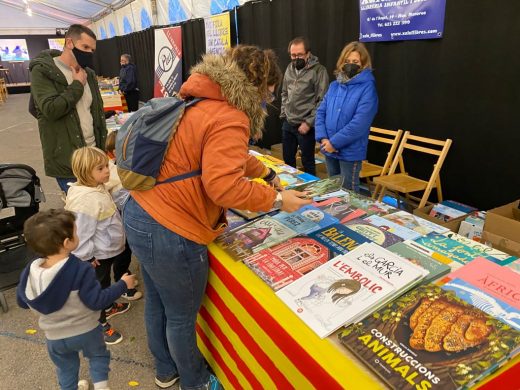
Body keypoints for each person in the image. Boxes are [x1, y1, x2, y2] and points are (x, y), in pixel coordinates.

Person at [123, 45, 312, 390]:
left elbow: (229, 156)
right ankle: (194, 382)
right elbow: (223, 187)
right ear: (259, 84)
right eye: (271, 89)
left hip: (141, 210)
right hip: (172, 227)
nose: (271, 96)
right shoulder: (230, 115)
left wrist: (266, 174)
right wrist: (277, 198)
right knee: (180, 316)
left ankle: (165, 370)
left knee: (159, 302)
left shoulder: (202, 98)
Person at [17, 209, 136, 390]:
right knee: (98, 356)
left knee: (65, 368)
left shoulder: (30, 271)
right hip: (86, 331)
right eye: (75, 232)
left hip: (54, 338)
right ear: (67, 242)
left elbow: (22, 302)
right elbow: (97, 301)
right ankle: (102, 387)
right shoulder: (81, 271)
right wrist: (122, 284)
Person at [65, 146, 131, 345]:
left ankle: (107, 306)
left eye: (107, 166)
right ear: (87, 173)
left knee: (104, 285)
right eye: (101, 168)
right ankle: (98, 324)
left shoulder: (96, 187)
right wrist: (87, 258)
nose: (107, 171)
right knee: (97, 288)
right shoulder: (86, 201)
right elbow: (80, 234)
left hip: (106, 251)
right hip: (96, 257)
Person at [29, 24, 106, 194]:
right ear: (69, 42)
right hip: (68, 160)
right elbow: (50, 109)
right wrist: (77, 85)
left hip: (93, 154)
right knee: (81, 212)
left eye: (92, 50)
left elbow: (95, 112)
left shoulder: (89, 74)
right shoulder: (43, 71)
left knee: (100, 207)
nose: (89, 53)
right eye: (85, 47)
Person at [315, 41, 378, 193]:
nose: (350, 65)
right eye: (347, 61)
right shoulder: (334, 85)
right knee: (333, 188)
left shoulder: (368, 88)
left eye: (355, 62)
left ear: (363, 64)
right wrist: (323, 139)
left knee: (348, 192)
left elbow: (359, 124)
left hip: (350, 151)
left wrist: (334, 143)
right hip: (329, 147)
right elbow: (321, 112)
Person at [280, 37, 329, 176]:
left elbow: (322, 100)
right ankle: (290, 192)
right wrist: (285, 112)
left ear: (308, 53)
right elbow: (284, 92)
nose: (296, 58)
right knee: (287, 161)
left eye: (300, 55)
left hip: (306, 125)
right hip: (288, 123)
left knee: (308, 162)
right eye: (293, 55)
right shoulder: (289, 68)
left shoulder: (319, 71)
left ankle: (311, 194)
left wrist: (309, 123)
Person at [104, 130, 142, 301]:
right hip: (120, 220)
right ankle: (122, 282)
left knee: (127, 249)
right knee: (123, 251)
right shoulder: (111, 172)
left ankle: (124, 275)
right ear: (112, 153)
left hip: (127, 216)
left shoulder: (125, 166)